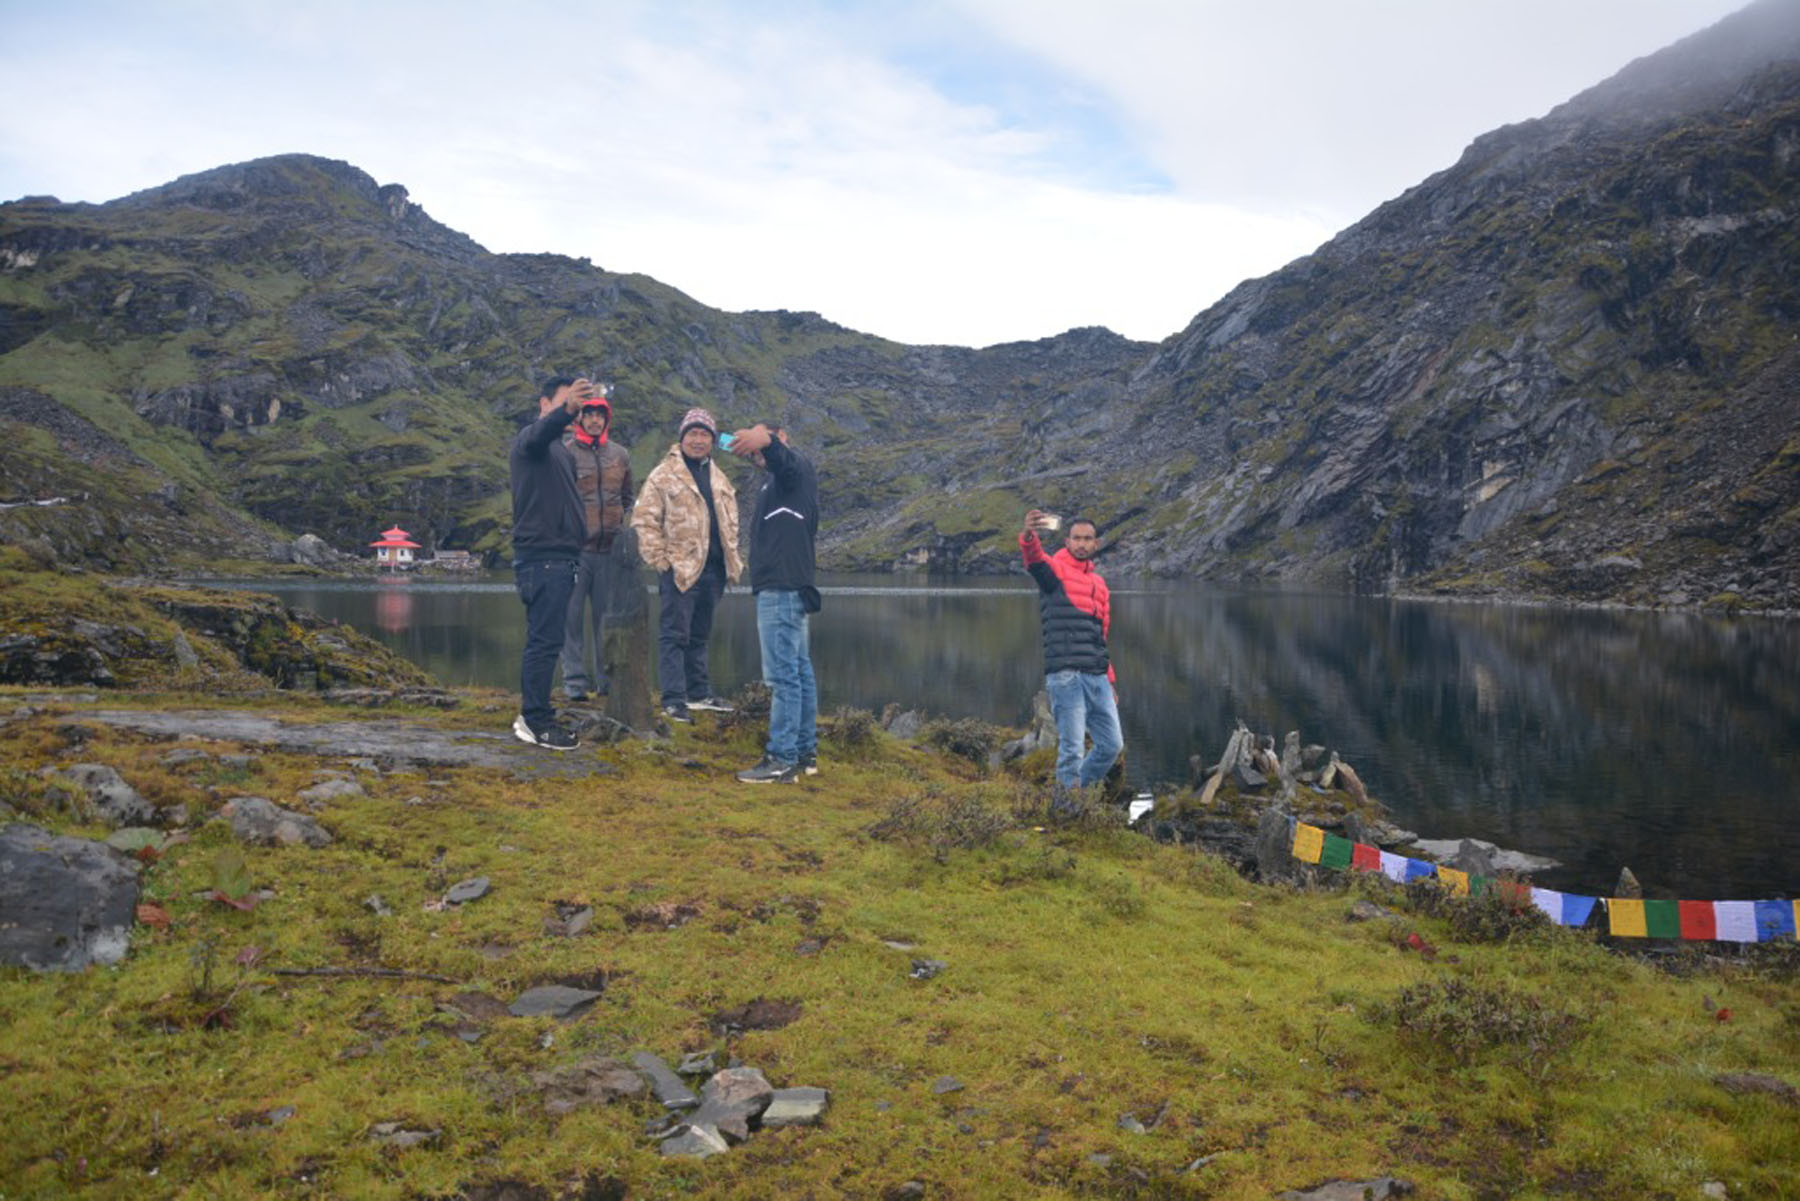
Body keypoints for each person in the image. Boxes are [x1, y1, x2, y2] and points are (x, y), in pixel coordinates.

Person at [630, 407, 742, 723]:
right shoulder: (663, 474)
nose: (698, 440)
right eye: (692, 433)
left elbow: (731, 521)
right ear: (682, 437)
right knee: (674, 634)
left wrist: (732, 559)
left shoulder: (718, 476)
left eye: (704, 434)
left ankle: (698, 693)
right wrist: (660, 560)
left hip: (714, 570)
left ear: (712, 439)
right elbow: (644, 520)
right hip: (679, 569)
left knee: (700, 634)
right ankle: (673, 699)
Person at [726, 422, 820, 783]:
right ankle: (803, 754)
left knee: (783, 676)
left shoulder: (794, 469)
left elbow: (783, 459)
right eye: (752, 452)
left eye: (760, 447)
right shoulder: (783, 483)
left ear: (782, 440)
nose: (757, 455)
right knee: (798, 672)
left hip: (781, 588)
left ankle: (780, 758)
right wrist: (760, 444)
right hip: (790, 585)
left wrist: (764, 438)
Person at [508, 375, 594, 750]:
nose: (573, 410)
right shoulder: (532, 441)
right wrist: (568, 410)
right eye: (564, 403)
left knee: (549, 639)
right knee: (544, 643)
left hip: (560, 559)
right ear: (545, 405)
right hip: (543, 560)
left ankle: (537, 711)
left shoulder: (561, 450)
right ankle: (534, 721)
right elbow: (539, 433)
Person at [1020, 510, 1123, 793]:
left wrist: (1110, 679)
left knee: (1111, 745)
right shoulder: (1055, 570)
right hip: (1066, 675)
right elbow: (1034, 560)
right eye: (1076, 538)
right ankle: (1066, 809)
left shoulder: (1100, 585)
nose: (1081, 544)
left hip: (1098, 677)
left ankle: (1077, 794)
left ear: (1096, 544)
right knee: (1072, 749)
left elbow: (1101, 636)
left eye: (1087, 539)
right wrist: (1029, 536)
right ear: (1067, 541)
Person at [558, 386, 633, 702]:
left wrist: (623, 527)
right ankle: (574, 682)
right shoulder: (567, 452)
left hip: (610, 551)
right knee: (570, 619)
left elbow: (628, 497)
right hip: (576, 552)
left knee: (606, 619)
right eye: (588, 415)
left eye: (599, 416)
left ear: (606, 420)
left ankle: (606, 681)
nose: (594, 421)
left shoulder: (620, 455)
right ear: (580, 419)